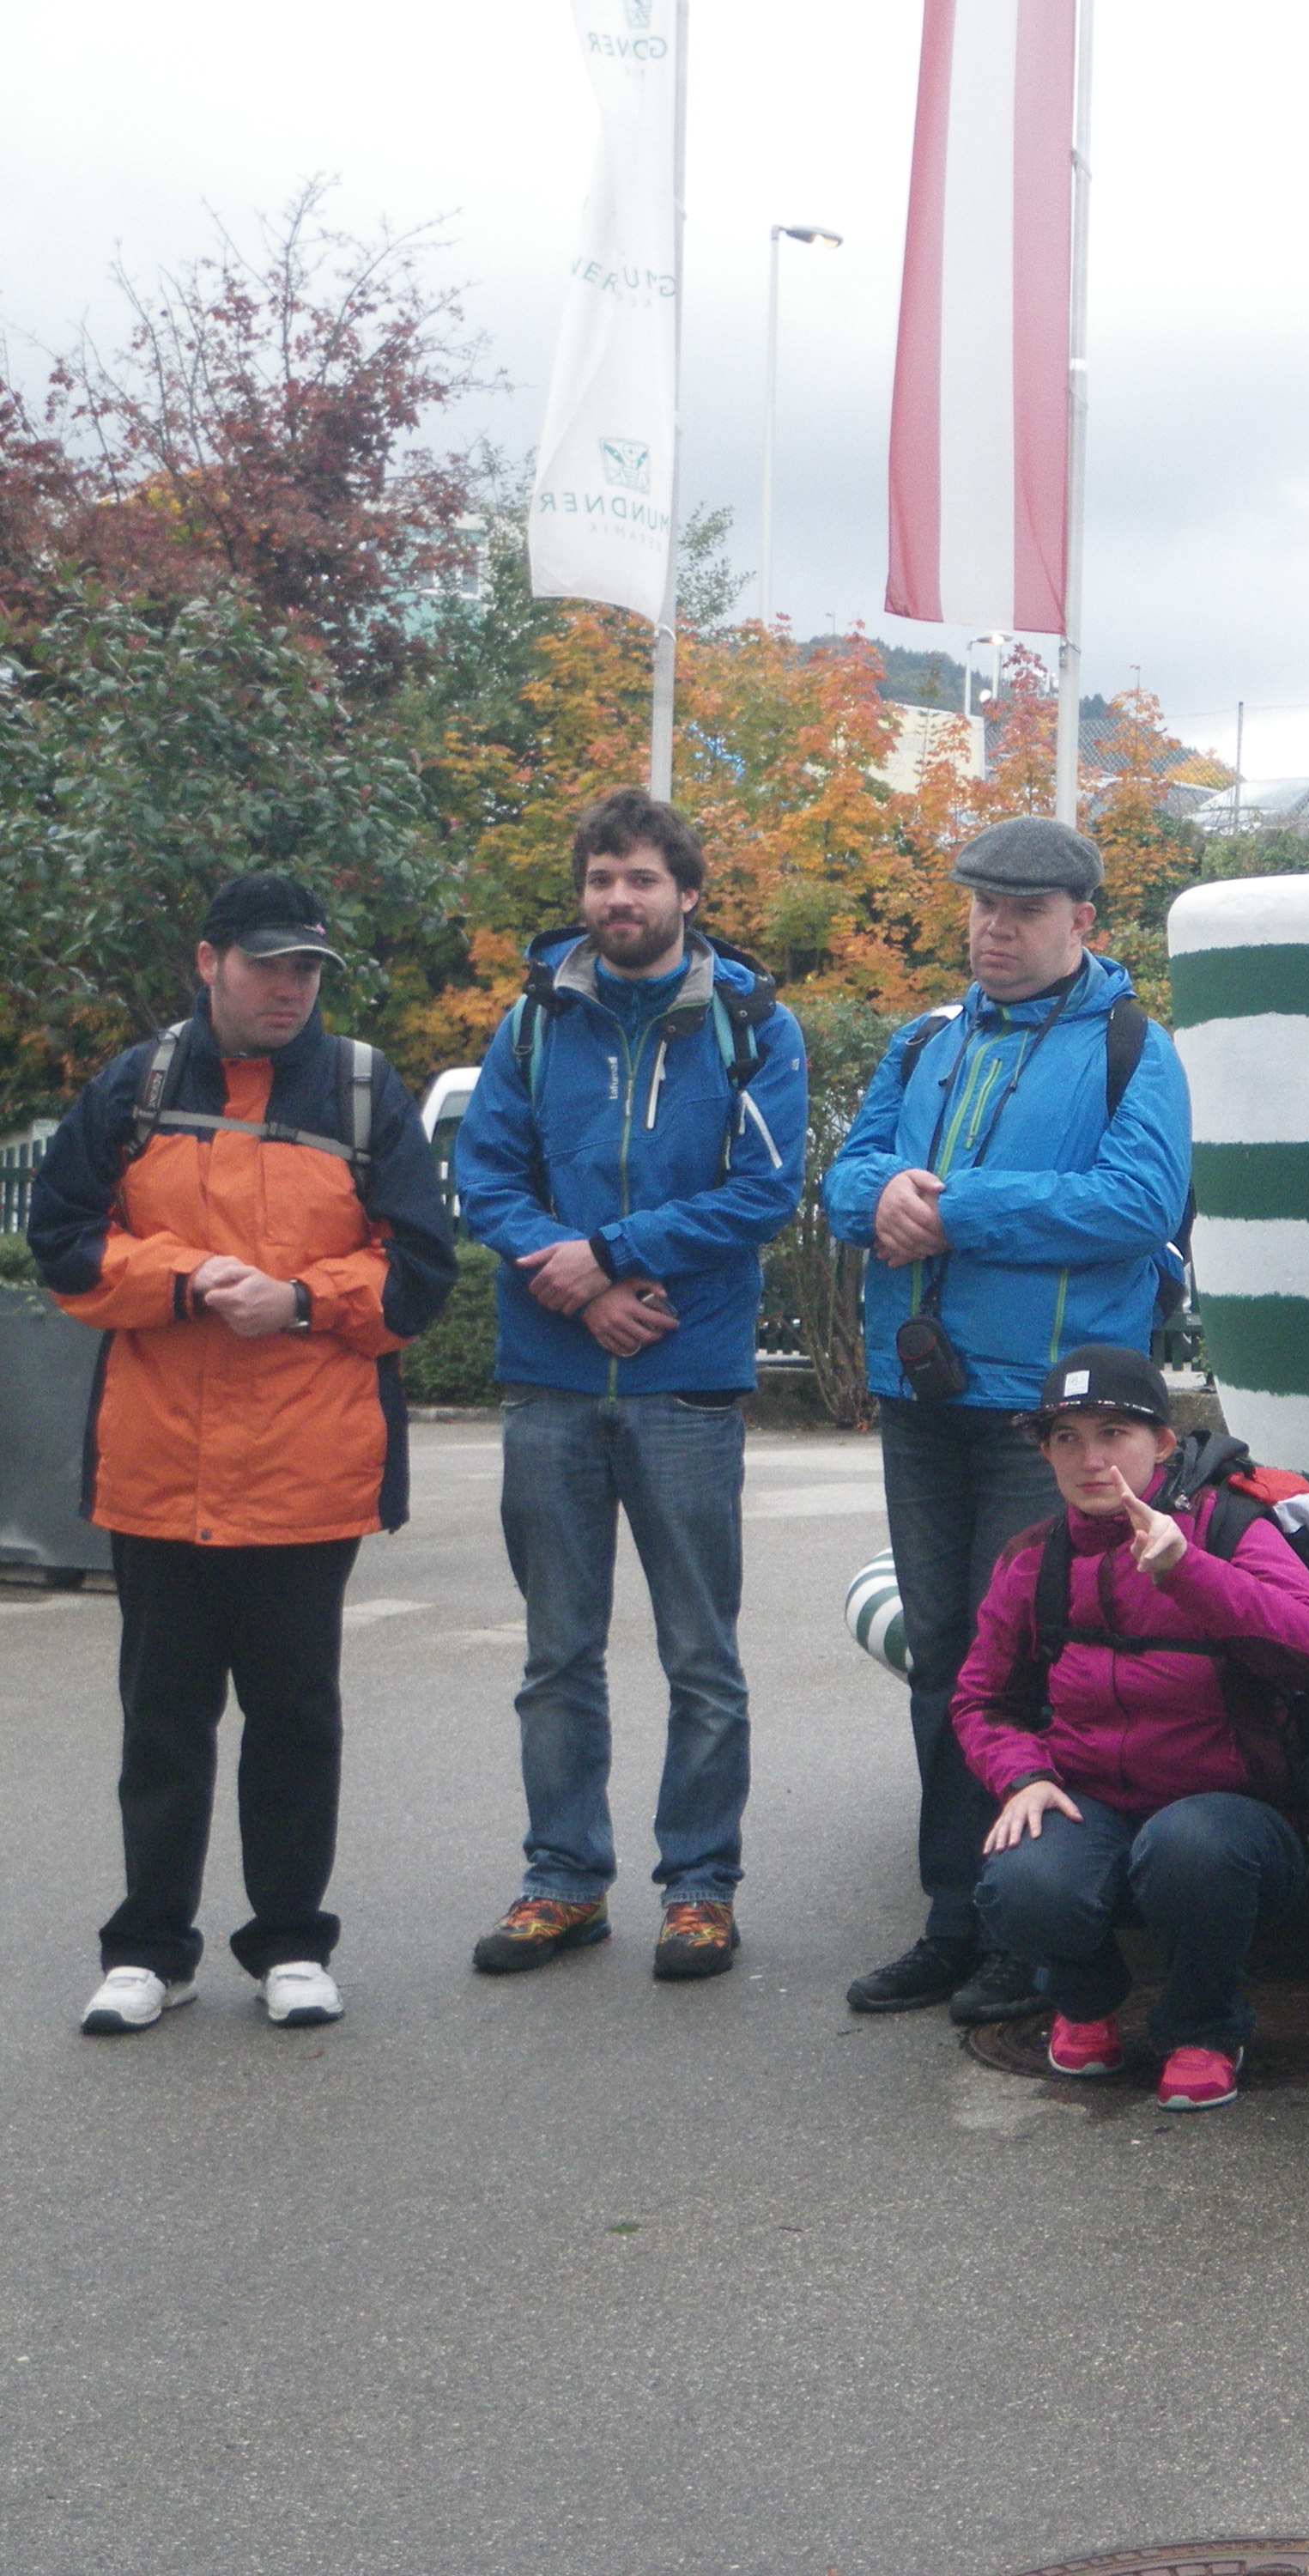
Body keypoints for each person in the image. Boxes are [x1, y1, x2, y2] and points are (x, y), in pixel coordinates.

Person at [26, 872, 455, 2036]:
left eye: (307, 967)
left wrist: (300, 1302)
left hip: (308, 1475)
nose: (290, 987)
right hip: (159, 1468)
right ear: (208, 961)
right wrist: (180, 1281)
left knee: (294, 1721)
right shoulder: (136, 1085)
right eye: (269, 963)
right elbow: (59, 1239)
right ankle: (148, 1952)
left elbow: (421, 1274)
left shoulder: (363, 1089)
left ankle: (292, 1946)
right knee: (161, 1722)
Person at [821, 817, 1192, 2024]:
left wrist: (955, 1208)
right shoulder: (923, 1039)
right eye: (982, 904)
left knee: (1030, 1668)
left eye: (1023, 911)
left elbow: (1138, 1205)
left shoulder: (1134, 1047)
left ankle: (1029, 1931)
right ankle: (955, 1919)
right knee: (945, 1665)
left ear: (1081, 920)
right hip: (922, 1403)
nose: (994, 928)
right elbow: (842, 1180)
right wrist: (880, 1193)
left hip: (1048, 1423)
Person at [450, 791, 809, 1983]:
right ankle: (563, 1882)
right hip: (549, 1379)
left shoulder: (753, 1025)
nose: (620, 898)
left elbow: (762, 1192)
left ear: (686, 893)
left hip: (685, 1384)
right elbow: (485, 1178)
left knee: (701, 1657)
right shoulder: (532, 1022)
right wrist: (579, 1285)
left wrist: (608, 1253)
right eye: (603, 878)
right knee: (557, 1657)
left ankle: (699, 1889)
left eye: (643, 878)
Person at [953, 1346, 1309, 2107]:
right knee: (1022, 1872)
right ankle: (1084, 2000)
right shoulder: (1032, 1558)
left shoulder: (1230, 1526)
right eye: (1067, 1438)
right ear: (1044, 1452)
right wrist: (1021, 1775)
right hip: (1092, 1800)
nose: (1091, 1459)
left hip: (1232, 1817)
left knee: (1190, 1848)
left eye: (1114, 1434)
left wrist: (1188, 1570)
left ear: (1162, 1443)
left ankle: (1206, 2027)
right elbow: (982, 1700)